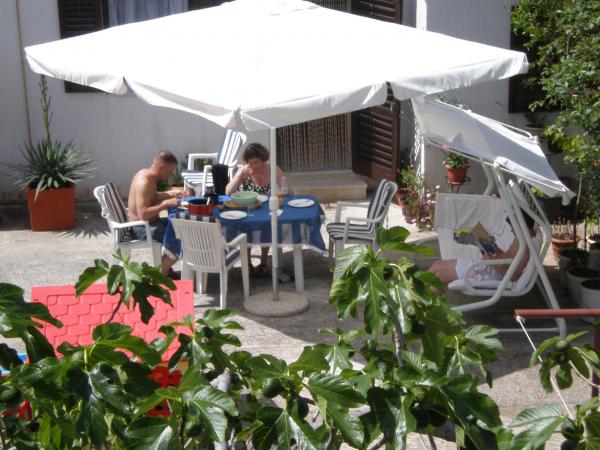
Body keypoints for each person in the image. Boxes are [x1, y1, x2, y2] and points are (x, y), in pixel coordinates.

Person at [226, 143, 293, 277]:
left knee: (267, 225)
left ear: (263, 159)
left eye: (256, 162)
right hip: (247, 209)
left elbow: (290, 192)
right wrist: (239, 176)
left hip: (265, 209)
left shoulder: (272, 169)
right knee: (245, 227)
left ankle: (263, 261)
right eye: (250, 163)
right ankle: (247, 262)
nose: (253, 166)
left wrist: (281, 191)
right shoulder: (244, 170)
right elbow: (228, 192)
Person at [429, 213, 536, 286]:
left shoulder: (525, 249)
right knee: (438, 264)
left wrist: (491, 263)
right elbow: (508, 258)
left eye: (513, 228)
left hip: (492, 273)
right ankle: (418, 290)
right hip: (490, 265)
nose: (512, 231)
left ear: (522, 226)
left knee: (441, 276)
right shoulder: (519, 239)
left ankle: (424, 305)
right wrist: (494, 248)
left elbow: (513, 277)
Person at [128, 150, 187, 278]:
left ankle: (163, 267)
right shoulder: (144, 183)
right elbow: (144, 214)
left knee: (181, 225)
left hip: (151, 223)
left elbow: (152, 196)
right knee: (183, 236)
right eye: (170, 171)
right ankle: (162, 272)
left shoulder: (146, 175)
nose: (171, 174)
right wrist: (166, 203)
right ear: (161, 168)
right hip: (142, 228)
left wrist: (171, 194)